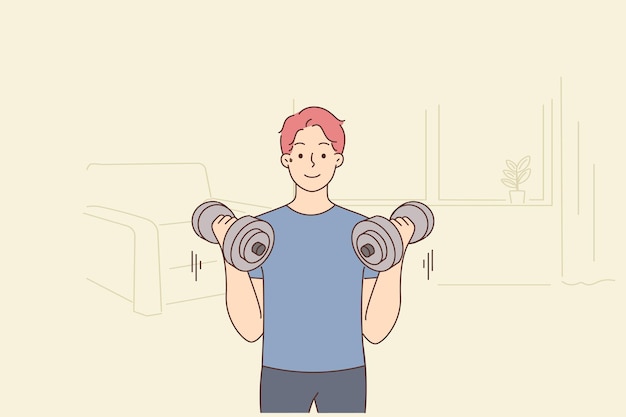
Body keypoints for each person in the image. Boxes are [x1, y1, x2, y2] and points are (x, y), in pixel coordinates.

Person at [212, 106, 414, 413]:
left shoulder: (362, 235)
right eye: (302, 153)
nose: (311, 164)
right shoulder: (262, 235)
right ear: (287, 160)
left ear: (337, 160)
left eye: (322, 154)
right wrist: (229, 252)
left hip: (345, 373)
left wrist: (398, 252)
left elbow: (375, 329)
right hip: (282, 372)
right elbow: (251, 327)